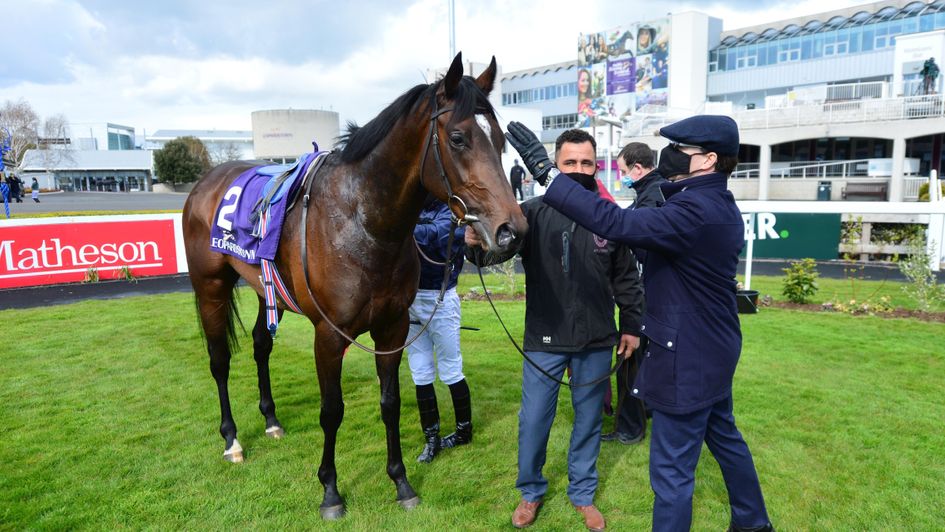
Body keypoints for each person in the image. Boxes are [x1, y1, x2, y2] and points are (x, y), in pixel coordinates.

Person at [506, 116, 773, 532]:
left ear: (707, 160)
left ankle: (750, 523)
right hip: (714, 348)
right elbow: (651, 239)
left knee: (671, 472)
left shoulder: (694, 210)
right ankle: (753, 522)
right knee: (725, 438)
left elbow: (620, 226)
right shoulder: (711, 202)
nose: (669, 155)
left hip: (686, 357)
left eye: (680, 149)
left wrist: (546, 173)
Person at [466, 129, 644, 531]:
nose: (578, 170)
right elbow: (497, 251)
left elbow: (627, 278)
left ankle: (582, 493)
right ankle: (531, 490)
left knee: (589, 421)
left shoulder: (608, 214)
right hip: (544, 338)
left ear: (595, 166)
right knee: (533, 421)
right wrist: (475, 243)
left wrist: (631, 324)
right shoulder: (530, 212)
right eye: (569, 163)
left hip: (598, 338)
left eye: (585, 163)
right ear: (556, 166)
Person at [600, 142, 668, 446]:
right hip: (659, 295)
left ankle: (629, 427)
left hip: (646, 296)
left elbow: (640, 243)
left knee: (630, 361)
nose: (622, 177)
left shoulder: (652, 198)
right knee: (648, 360)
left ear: (638, 169)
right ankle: (648, 410)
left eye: (624, 171)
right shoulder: (655, 192)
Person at [408, 196, 473, 464]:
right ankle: (431, 439)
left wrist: (397, 223)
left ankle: (463, 431)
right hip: (411, 299)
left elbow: (434, 234)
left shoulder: (453, 209)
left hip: (441, 300)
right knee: (420, 371)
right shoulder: (415, 205)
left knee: (450, 368)